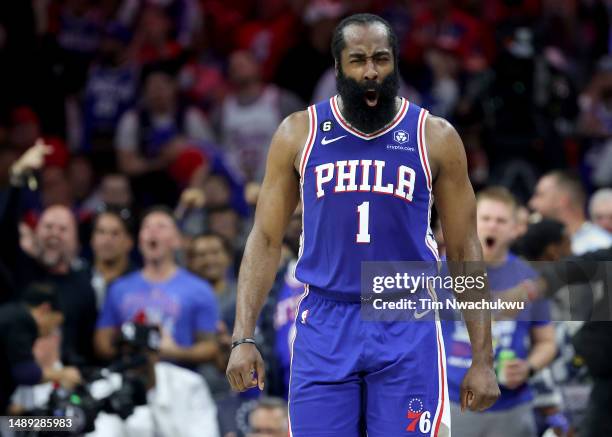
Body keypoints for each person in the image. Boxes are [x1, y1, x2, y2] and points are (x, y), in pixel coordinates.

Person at [226, 13, 499, 436]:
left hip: (405, 318)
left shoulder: (435, 136)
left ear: (395, 63)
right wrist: (243, 337)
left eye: (381, 59)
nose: (370, 72)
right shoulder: (299, 132)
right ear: (338, 67)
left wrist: (483, 358)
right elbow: (263, 239)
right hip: (325, 319)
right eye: (357, 60)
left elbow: (464, 249)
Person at [444, 187, 556, 437]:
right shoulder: (442, 270)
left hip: (511, 407)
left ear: (516, 229)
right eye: (485, 219)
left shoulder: (529, 277)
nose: (492, 226)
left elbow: (547, 341)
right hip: (452, 402)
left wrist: (528, 367)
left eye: (501, 220)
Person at [94, 206, 219, 369]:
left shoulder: (199, 289)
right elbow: (101, 342)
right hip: (132, 381)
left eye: (161, 226)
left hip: (179, 383)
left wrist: (174, 352)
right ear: (139, 240)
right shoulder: (119, 288)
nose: (153, 232)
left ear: (177, 240)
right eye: (146, 227)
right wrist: (126, 350)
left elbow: (210, 347)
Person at [87, 321, 220, 437]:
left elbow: (206, 433)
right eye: (122, 354)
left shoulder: (189, 384)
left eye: (135, 353)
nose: (127, 361)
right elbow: (95, 431)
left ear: (154, 355)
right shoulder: (106, 387)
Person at [0, 282, 81, 414]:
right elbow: (25, 373)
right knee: (63, 425)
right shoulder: (20, 320)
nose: (51, 333)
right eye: (55, 324)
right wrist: (62, 374)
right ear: (45, 309)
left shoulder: (10, 314)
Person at [529, 170, 612, 255]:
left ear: (561, 201)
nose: (532, 203)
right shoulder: (544, 247)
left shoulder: (601, 244)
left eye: (540, 195)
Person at [90, 209, 135, 309]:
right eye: (101, 232)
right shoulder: (81, 280)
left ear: (129, 242)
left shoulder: (138, 283)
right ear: (92, 239)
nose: (107, 240)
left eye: (115, 233)